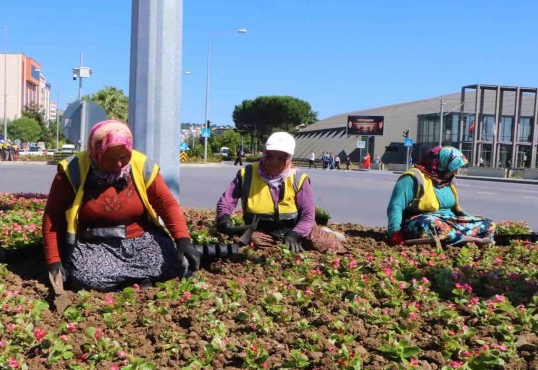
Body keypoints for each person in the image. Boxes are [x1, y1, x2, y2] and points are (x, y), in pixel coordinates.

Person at [43, 120, 201, 292]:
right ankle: (141, 281)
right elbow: (53, 216)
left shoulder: (142, 165)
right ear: (96, 152)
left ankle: (133, 281)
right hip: (95, 245)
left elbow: (167, 204)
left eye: (124, 157)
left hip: (141, 241)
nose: (119, 164)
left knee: (178, 265)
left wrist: (183, 240)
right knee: (87, 278)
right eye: (111, 159)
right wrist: (54, 260)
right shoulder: (73, 170)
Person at [215, 132, 345, 253]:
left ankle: (327, 233)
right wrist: (224, 220)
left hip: (295, 228)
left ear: (289, 158)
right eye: (270, 156)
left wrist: (294, 235)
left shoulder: (298, 179)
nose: (274, 163)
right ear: (264, 153)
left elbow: (308, 216)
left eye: (281, 158)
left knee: (328, 245)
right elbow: (226, 202)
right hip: (260, 229)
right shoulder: (247, 174)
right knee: (258, 247)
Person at [387, 146, 494, 247]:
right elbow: (396, 206)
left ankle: (458, 237)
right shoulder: (413, 178)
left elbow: (455, 210)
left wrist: (469, 219)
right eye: (453, 167)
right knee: (430, 224)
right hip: (423, 221)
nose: (456, 171)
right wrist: (395, 233)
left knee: (488, 224)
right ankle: (469, 239)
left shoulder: (449, 180)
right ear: (442, 163)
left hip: (449, 221)